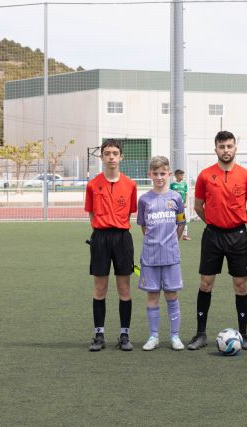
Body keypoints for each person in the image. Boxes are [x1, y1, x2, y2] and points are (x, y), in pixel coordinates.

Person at [187, 130, 247, 350]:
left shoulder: (245, 175)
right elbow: (198, 206)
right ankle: (200, 334)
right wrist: (214, 222)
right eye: (222, 146)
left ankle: (244, 335)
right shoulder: (205, 175)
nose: (226, 150)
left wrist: (238, 220)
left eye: (229, 146)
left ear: (235, 148)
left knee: (240, 284)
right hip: (212, 236)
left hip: (237, 236)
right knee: (206, 284)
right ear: (215, 148)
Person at [85, 139, 138, 351]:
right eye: (107, 153)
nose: (111, 157)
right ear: (102, 157)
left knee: (124, 287)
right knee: (100, 288)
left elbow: (131, 211)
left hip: (122, 238)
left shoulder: (130, 184)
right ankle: (99, 335)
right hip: (100, 238)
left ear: (121, 157)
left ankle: (124, 335)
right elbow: (91, 212)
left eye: (115, 153)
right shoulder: (92, 184)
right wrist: (101, 229)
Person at [137, 156, 186, 351]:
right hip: (150, 257)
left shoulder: (176, 198)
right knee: (152, 296)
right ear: (149, 175)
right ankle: (153, 336)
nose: (159, 177)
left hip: (171, 256)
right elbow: (143, 226)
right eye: (155, 174)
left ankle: (175, 336)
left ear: (169, 174)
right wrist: (154, 242)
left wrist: (171, 241)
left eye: (163, 173)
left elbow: (180, 222)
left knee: (172, 295)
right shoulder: (144, 200)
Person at [170, 169, 191, 241]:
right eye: (180, 174)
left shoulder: (184, 184)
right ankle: (173, 234)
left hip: (182, 205)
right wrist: (171, 204)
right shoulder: (172, 185)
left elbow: (186, 194)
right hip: (175, 205)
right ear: (176, 176)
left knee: (182, 219)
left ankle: (185, 235)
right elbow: (170, 195)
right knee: (174, 219)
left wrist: (186, 203)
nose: (182, 176)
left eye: (182, 174)